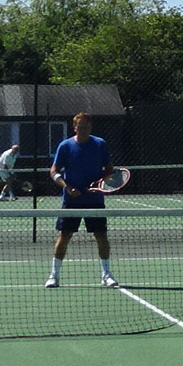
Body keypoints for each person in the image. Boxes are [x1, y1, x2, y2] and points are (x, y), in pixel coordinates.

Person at [48, 113, 119, 289]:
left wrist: (102, 184)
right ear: (75, 127)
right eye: (80, 126)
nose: (84, 129)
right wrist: (67, 187)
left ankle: (106, 275)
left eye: (86, 126)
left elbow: (110, 171)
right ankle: (54, 276)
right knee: (64, 236)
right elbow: (54, 171)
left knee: (101, 236)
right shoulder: (65, 146)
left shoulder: (100, 144)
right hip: (71, 201)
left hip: (95, 201)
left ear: (90, 127)